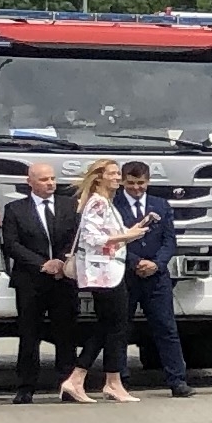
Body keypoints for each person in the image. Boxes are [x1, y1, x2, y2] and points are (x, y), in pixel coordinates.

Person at [2, 160, 82, 403]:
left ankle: (67, 385)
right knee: (29, 334)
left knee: (66, 333)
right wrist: (42, 264)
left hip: (62, 278)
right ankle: (26, 386)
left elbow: (77, 237)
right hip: (31, 281)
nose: (50, 183)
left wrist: (61, 262)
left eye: (52, 179)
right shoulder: (15, 209)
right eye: (44, 179)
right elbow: (12, 244)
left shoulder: (70, 205)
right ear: (30, 182)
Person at [117, 159, 192, 396]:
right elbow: (113, 240)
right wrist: (134, 262)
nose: (136, 188)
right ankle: (120, 380)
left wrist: (157, 264)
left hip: (156, 276)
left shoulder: (160, 204)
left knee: (166, 327)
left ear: (148, 181)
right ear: (122, 181)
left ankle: (177, 380)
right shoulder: (113, 205)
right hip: (125, 274)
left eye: (140, 183)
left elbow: (169, 240)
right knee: (120, 327)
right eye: (131, 183)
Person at [71, 160, 136, 403]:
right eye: (113, 173)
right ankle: (81, 378)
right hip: (104, 273)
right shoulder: (97, 202)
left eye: (118, 173)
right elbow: (92, 237)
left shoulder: (107, 203)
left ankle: (110, 381)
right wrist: (127, 236)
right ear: (99, 177)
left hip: (110, 270)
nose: (118, 177)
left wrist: (132, 231)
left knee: (111, 326)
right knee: (113, 325)